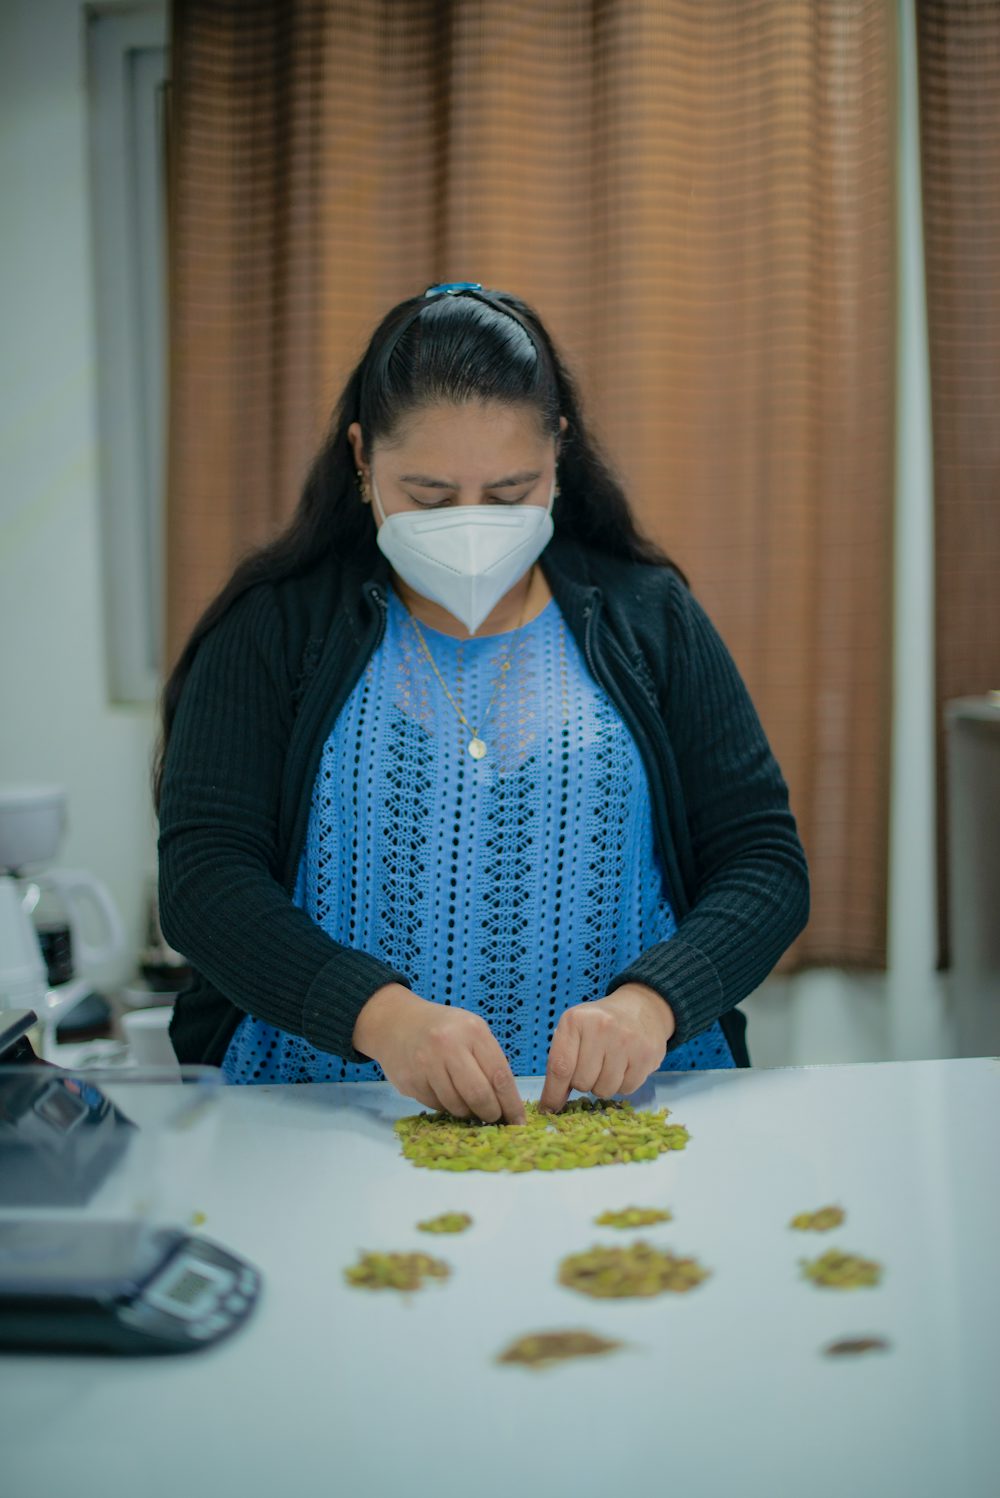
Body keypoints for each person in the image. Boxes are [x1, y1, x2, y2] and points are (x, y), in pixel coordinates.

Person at [155, 281, 809, 1125]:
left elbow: (764, 863)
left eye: (508, 494)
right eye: (428, 495)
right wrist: (380, 1017)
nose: (469, 525)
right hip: (325, 1113)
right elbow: (205, 880)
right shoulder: (276, 629)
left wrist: (655, 1003)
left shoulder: (651, 619)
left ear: (558, 456)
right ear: (362, 457)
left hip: (622, 1110)